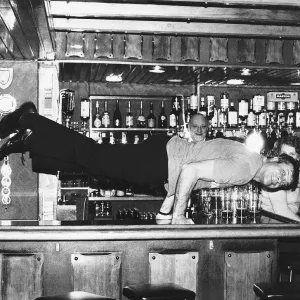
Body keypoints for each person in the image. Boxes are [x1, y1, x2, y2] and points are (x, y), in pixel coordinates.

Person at [0, 102, 298, 225]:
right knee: (90, 155)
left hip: (162, 157)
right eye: (282, 172)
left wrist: (166, 212)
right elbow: (190, 170)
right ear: (273, 158)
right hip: (158, 161)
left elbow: (191, 168)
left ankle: (27, 141)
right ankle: (27, 119)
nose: (278, 180)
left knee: (91, 164)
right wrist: (179, 216)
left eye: (283, 182)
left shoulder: (248, 160)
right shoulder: (247, 167)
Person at [260, 135, 300, 222]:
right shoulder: (276, 177)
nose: (288, 157)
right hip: (274, 222)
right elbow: (281, 211)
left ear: (298, 158)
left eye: (292, 154)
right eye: (284, 154)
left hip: (289, 220)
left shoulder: (294, 175)